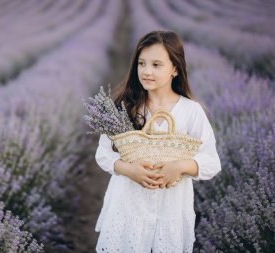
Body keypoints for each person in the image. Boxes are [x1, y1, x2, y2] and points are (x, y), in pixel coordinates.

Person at [94, 30, 222, 252]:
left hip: (170, 212)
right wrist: (129, 169)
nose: (146, 71)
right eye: (141, 64)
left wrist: (181, 166)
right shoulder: (125, 106)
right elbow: (103, 154)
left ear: (175, 69)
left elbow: (211, 161)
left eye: (156, 65)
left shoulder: (191, 111)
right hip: (127, 208)